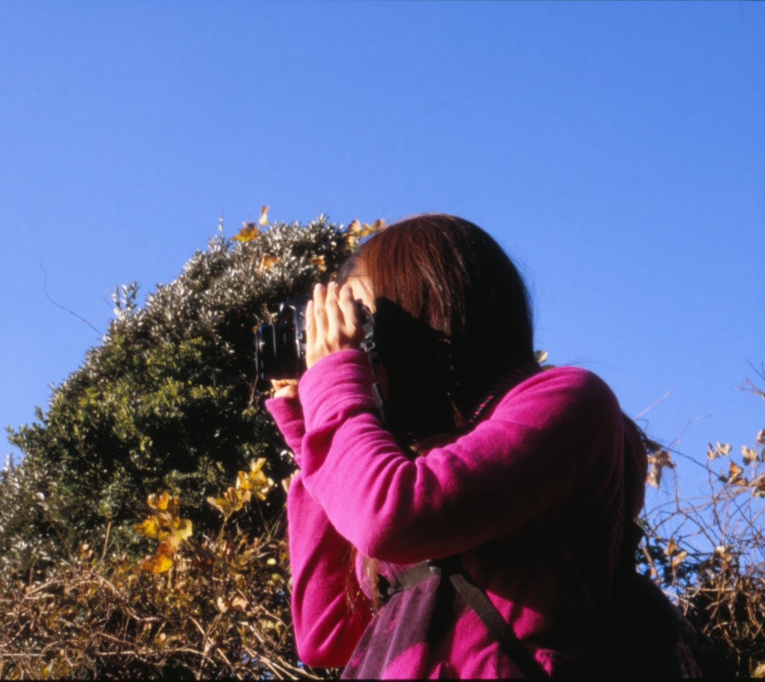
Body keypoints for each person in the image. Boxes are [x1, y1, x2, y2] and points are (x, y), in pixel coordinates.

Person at [266, 213, 648, 678]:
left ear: (428, 309)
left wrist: (336, 389)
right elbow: (326, 633)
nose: (353, 346)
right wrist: (315, 434)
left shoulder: (568, 400)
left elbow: (390, 516)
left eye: (363, 323)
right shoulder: (410, 461)